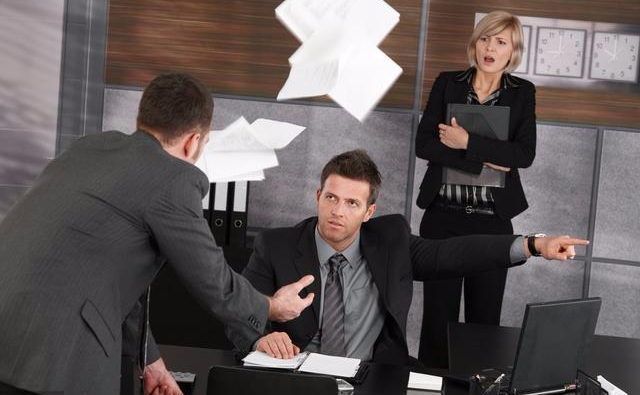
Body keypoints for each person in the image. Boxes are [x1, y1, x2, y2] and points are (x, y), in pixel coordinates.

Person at [0, 73, 314, 395]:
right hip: (55, 358)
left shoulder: (88, 148)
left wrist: (150, 361)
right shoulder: (174, 179)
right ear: (193, 141)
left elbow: (105, 279)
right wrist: (272, 306)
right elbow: (213, 281)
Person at [227, 149, 586, 365]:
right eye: (331, 198)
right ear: (318, 196)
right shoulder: (276, 246)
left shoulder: (390, 241)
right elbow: (237, 313)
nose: (337, 211)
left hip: (373, 378)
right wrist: (259, 339)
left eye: (352, 203)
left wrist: (533, 244)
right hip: (300, 377)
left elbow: (454, 253)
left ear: (369, 212)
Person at [414, 11, 537, 368]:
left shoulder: (522, 93)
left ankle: (477, 388)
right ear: (475, 42)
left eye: (500, 42)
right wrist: (486, 158)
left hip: (491, 223)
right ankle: (431, 387)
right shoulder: (447, 83)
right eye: (485, 38)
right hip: (442, 220)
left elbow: (523, 155)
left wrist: (466, 141)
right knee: (437, 323)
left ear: (513, 50)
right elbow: (425, 144)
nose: (490, 48)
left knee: (484, 323)